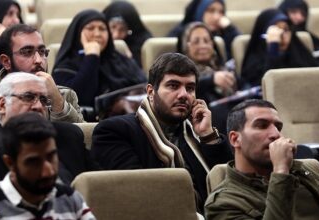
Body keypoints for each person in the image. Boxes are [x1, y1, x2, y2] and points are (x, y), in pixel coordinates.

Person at [91, 53, 232, 212]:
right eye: (173, 85)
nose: (183, 95)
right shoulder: (114, 132)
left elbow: (232, 186)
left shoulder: (199, 132)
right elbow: (136, 196)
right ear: (151, 92)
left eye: (190, 88)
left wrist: (208, 136)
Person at [204, 99, 319, 219]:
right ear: (235, 139)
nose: (276, 134)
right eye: (262, 126)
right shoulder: (224, 203)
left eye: (278, 127)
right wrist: (281, 171)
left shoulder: (302, 171)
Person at [0, 72, 99, 184]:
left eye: (43, 99)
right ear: (2, 105)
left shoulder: (69, 136)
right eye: (28, 97)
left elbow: (100, 187)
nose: (38, 106)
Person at [0, 112, 96, 219]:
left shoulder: (69, 198)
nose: (48, 171)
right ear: (10, 163)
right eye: (33, 162)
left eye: (51, 156)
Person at [0, 24, 84, 129]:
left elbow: (82, 140)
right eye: (27, 52)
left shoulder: (65, 96)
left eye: (42, 51)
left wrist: (57, 102)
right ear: (6, 61)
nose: (38, 60)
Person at [52, 9, 147, 117]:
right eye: (90, 28)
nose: (97, 34)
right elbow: (79, 99)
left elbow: (144, 87)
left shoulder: (119, 59)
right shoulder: (65, 66)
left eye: (102, 29)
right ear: (78, 32)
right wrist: (92, 57)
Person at [241, 8, 319, 87]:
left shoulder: (298, 54)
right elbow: (268, 86)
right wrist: (273, 48)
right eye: (276, 30)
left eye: (286, 30)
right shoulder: (254, 62)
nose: (282, 35)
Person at [178, 21, 239, 104]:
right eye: (196, 42)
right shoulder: (180, 72)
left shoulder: (222, 67)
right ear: (186, 46)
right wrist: (212, 80)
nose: (203, 46)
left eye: (206, 41)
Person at [168, 0, 240, 60]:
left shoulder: (225, 33)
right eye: (211, 11)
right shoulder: (181, 33)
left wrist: (230, 28)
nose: (216, 17)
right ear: (199, 11)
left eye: (221, 12)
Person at [278, 0, 319, 65]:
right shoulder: (278, 35)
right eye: (293, 12)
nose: (299, 17)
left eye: (303, 14)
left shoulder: (307, 34)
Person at [103, 0, 153, 67]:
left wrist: (129, 61)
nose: (116, 35)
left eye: (122, 29)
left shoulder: (142, 42)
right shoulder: (97, 37)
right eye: (113, 27)